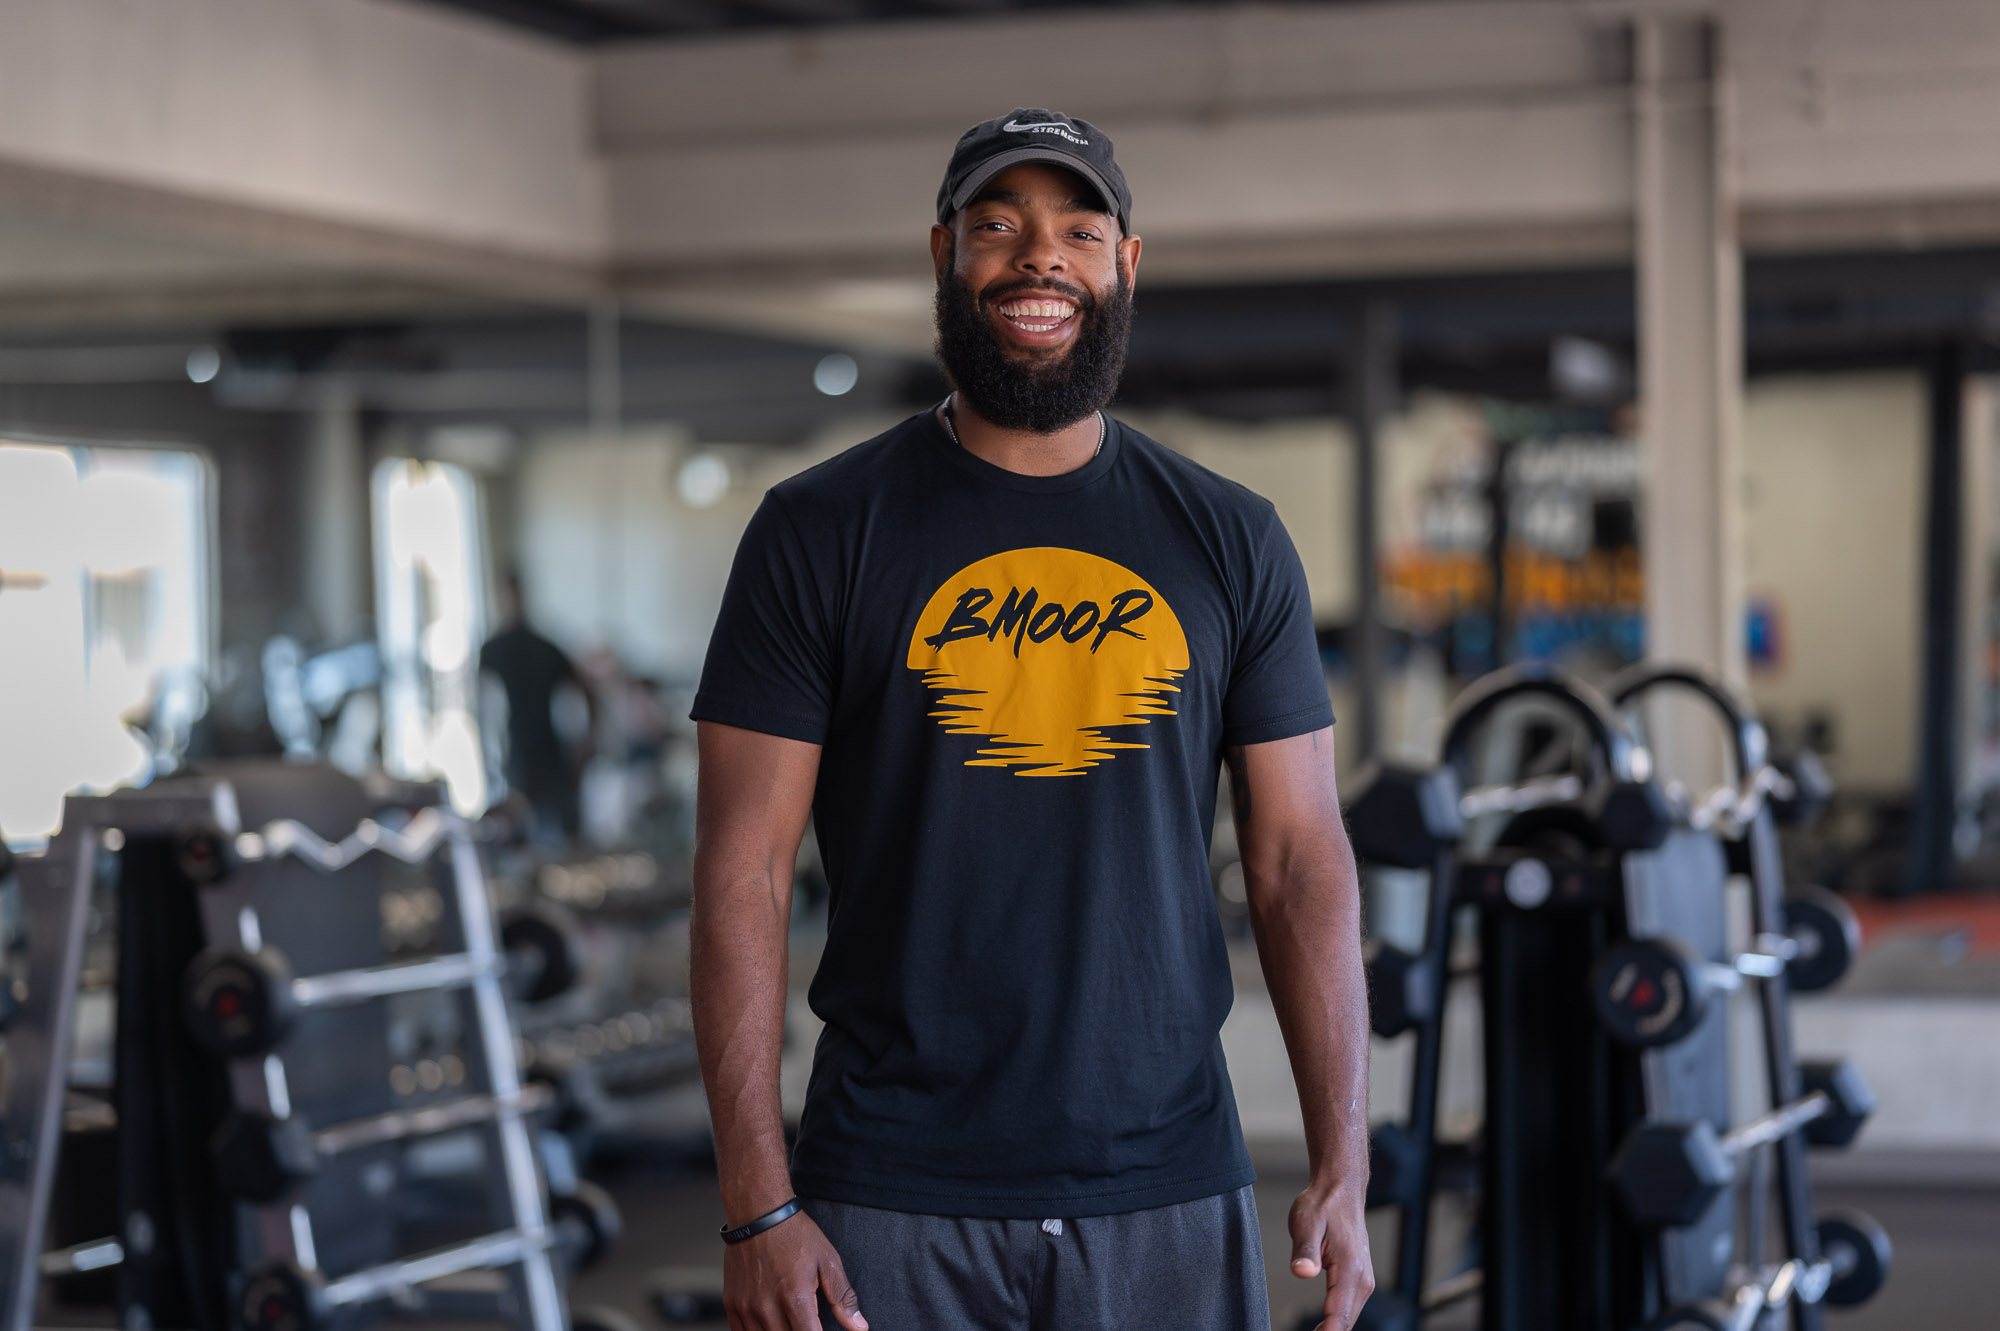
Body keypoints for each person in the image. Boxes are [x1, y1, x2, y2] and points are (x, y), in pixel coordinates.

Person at [690, 109, 1373, 1331]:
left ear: (1125, 262)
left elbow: (1297, 857)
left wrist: (1344, 1156)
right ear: (942, 252)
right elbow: (740, 869)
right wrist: (755, 1201)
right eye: (996, 225)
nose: (1035, 257)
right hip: (887, 1192)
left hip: (1161, 1186)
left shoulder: (1228, 536)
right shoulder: (817, 530)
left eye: (1075, 228)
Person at [480, 570, 593, 848]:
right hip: (520, 756)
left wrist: (584, 747)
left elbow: (585, 693)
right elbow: (485, 715)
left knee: (555, 838)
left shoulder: (539, 649)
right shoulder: (500, 649)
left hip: (542, 756)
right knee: (527, 835)